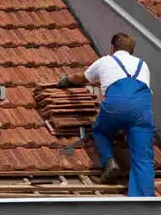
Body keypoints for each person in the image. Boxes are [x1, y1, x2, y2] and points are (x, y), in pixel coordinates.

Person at [57, 32, 155, 197]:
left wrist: (67, 80)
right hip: (142, 110)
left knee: (100, 130)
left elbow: (82, 78)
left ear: (112, 47)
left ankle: (109, 161)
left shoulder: (106, 61)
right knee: (143, 159)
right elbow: (137, 98)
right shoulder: (142, 65)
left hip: (115, 106)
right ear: (132, 50)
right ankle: (144, 202)